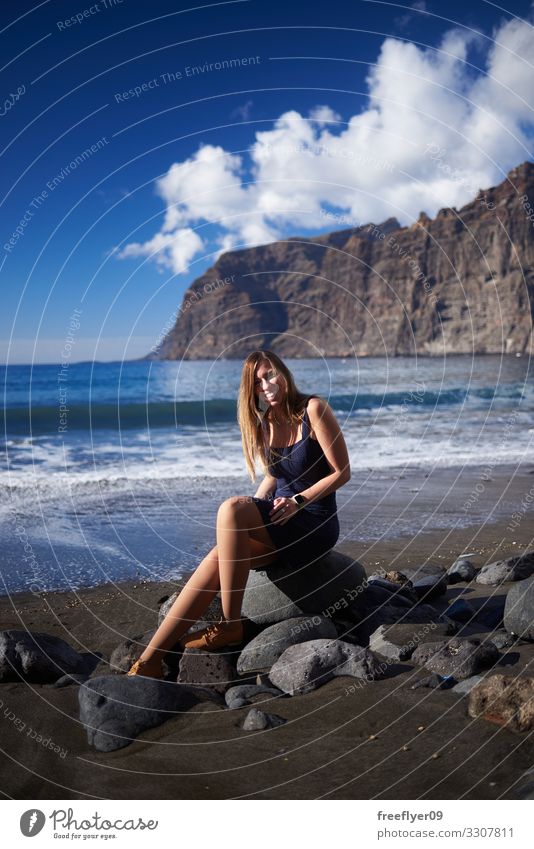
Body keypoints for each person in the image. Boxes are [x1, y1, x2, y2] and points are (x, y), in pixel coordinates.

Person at [127, 349, 351, 678]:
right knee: (223, 551)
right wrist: (254, 507)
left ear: (283, 371)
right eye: (258, 383)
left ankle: (231, 625)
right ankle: (148, 662)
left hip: (313, 522)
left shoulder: (313, 409)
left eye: (270, 374)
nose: (267, 385)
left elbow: (342, 472)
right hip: (279, 521)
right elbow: (276, 476)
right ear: (252, 391)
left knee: (230, 509)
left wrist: (297, 501)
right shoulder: (266, 424)